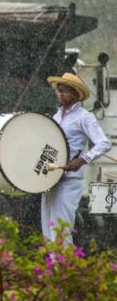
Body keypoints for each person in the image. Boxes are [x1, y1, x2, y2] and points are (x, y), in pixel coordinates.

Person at [41, 72, 112, 245]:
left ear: (75, 93)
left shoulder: (84, 117)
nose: (59, 94)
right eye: (58, 90)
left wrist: (82, 160)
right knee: (48, 232)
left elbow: (104, 143)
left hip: (69, 180)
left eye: (63, 91)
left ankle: (64, 262)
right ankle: (54, 262)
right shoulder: (56, 116)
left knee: (60, 230)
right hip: (52, 179)